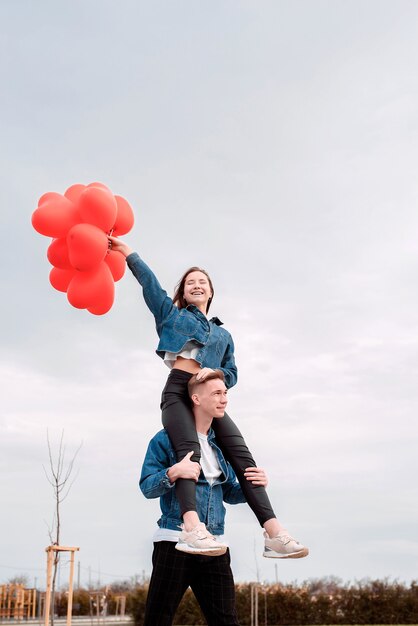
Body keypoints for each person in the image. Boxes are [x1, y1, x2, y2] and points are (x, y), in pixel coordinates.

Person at [110, 236, 308, 559]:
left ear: (211, 291)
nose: (197, 285)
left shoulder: (223, 335)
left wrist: (213, 377)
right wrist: (128, 253)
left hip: (208, 395)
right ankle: (192, 527)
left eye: (203, 281)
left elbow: (232, 372)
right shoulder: (172, 316)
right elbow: (150, 286)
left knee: (245, 461)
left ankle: (274, 533)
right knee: (189, 455)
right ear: (184, 292)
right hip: (178, 392)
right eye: (190, 282)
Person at [140, 371, 268, 626]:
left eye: (225, 393)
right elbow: (147, 487)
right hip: (175, 541)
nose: (224, 399)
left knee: (226, 621)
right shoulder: (165, 439)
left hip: (215, 545)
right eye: (217, 393)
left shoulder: (221, 445)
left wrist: (253, 486)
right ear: (196, 399)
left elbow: (229, 493)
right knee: (158, 620)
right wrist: (173, 472)